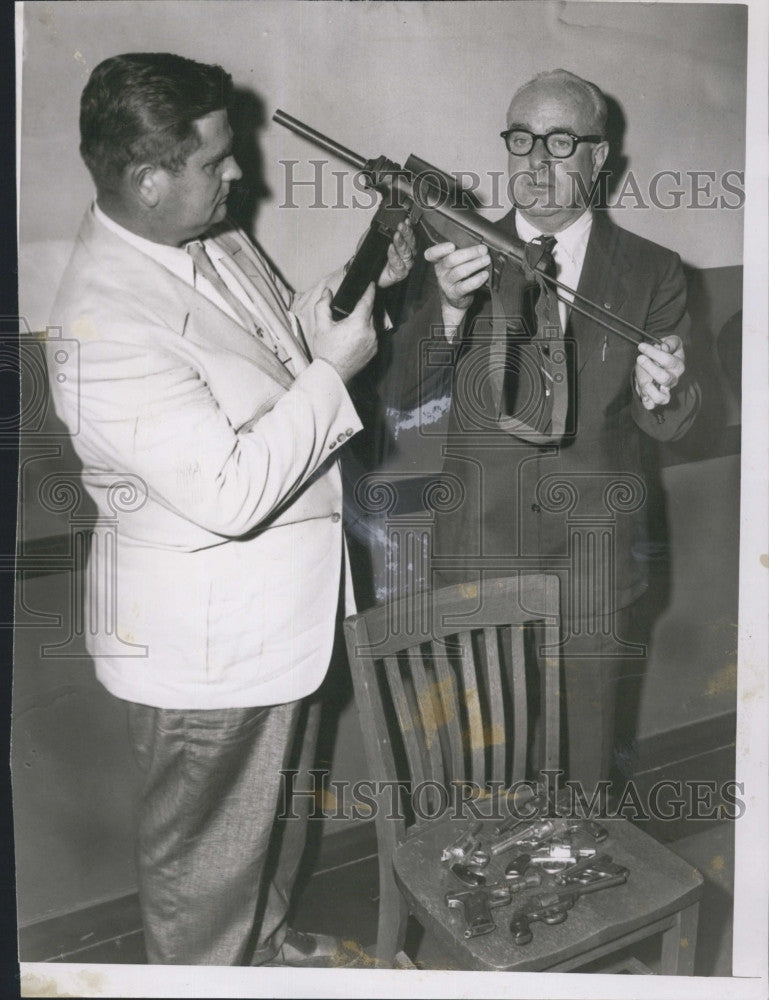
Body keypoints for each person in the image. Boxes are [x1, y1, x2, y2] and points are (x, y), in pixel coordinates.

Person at [47, 52, 414, 967]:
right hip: (206, 651)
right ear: (147, 177)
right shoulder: (102, 327)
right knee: (204, 875)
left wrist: (367, 278)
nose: (238, 174)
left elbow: (276, 344)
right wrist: (338, 373)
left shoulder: (205, 236)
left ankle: (267, 951)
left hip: (275, 621)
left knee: (271, 830)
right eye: (216, 161)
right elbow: (231, 491)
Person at [384, 69, 701, 791]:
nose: (535, 161)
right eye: (520, 139)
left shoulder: (652, 270)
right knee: (483, 765)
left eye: (559, 142)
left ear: (599, 161)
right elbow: (401, 391)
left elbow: (677, 421)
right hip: (477, 552)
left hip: (595, 562)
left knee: (587, 770)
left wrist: (668, 385)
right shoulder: (453, 252)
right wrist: (447, 312)